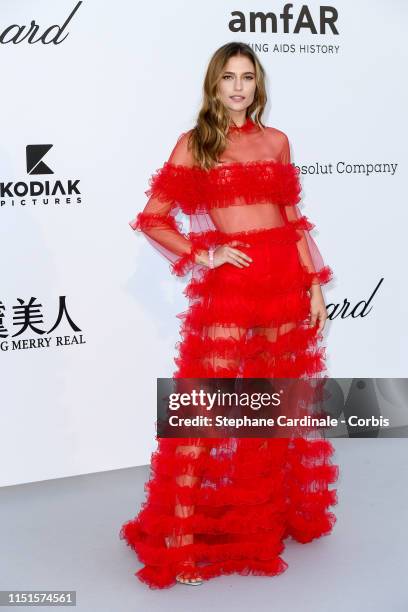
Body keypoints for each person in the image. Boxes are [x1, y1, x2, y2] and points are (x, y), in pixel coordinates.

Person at [120, 42, 339, 588]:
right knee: (205, 406)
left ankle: (259, 519)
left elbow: (292, 219)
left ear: (257, 85)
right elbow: (153, 219)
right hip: (233, 287)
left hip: (284, 285)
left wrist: (312, 284)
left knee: (269, 406)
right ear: (213, 85)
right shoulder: (195, 144)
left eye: (247, 77)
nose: (238, 87)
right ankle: (179, 536)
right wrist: (205, 252)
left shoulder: (277, 140)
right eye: (228, 78)